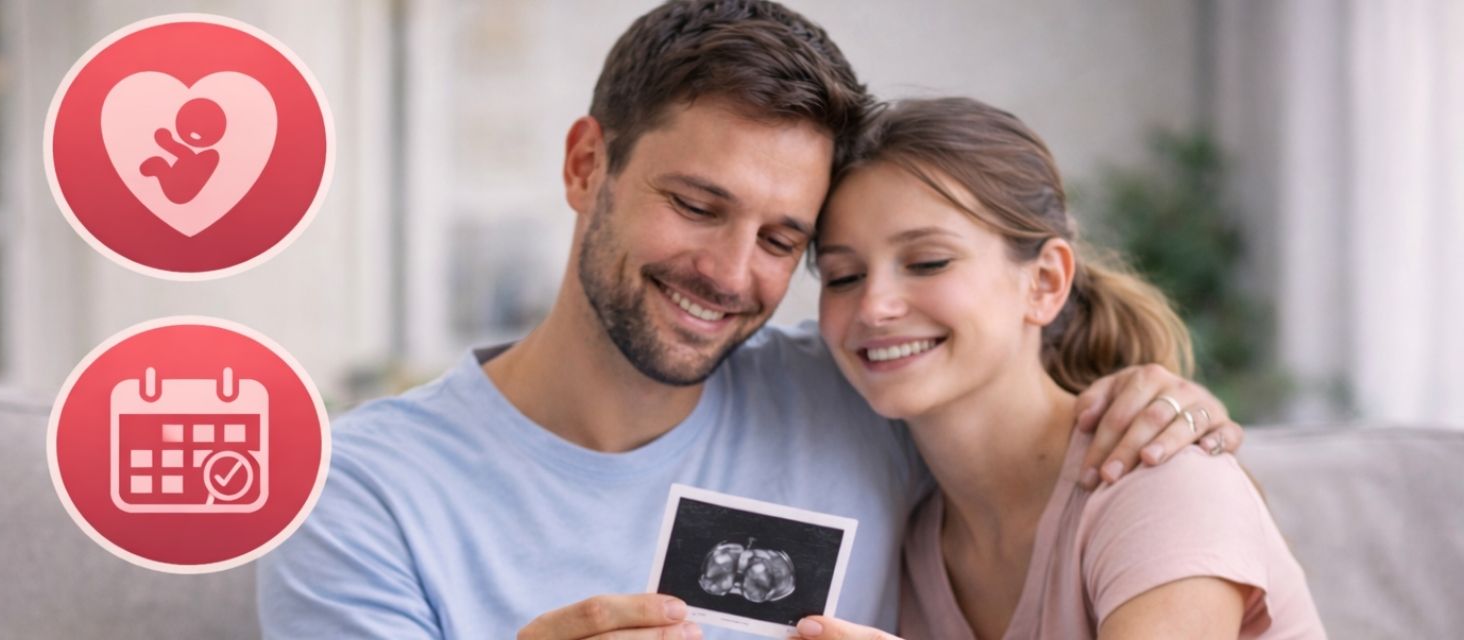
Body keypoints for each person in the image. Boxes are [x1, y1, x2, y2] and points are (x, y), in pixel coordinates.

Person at [257, 3, 1244, 638]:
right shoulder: (361, 493)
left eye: (784, 238)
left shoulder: (856, 396)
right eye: (696, 205)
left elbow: (1005, 385)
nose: (729, 273)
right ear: (584, 166)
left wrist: (1153, 396)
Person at [794, 98, 1323, 639]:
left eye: (929, 262)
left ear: (1045, 282)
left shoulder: (1158, 482)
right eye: (842, 276)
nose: (873, 306)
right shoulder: (904, 537)